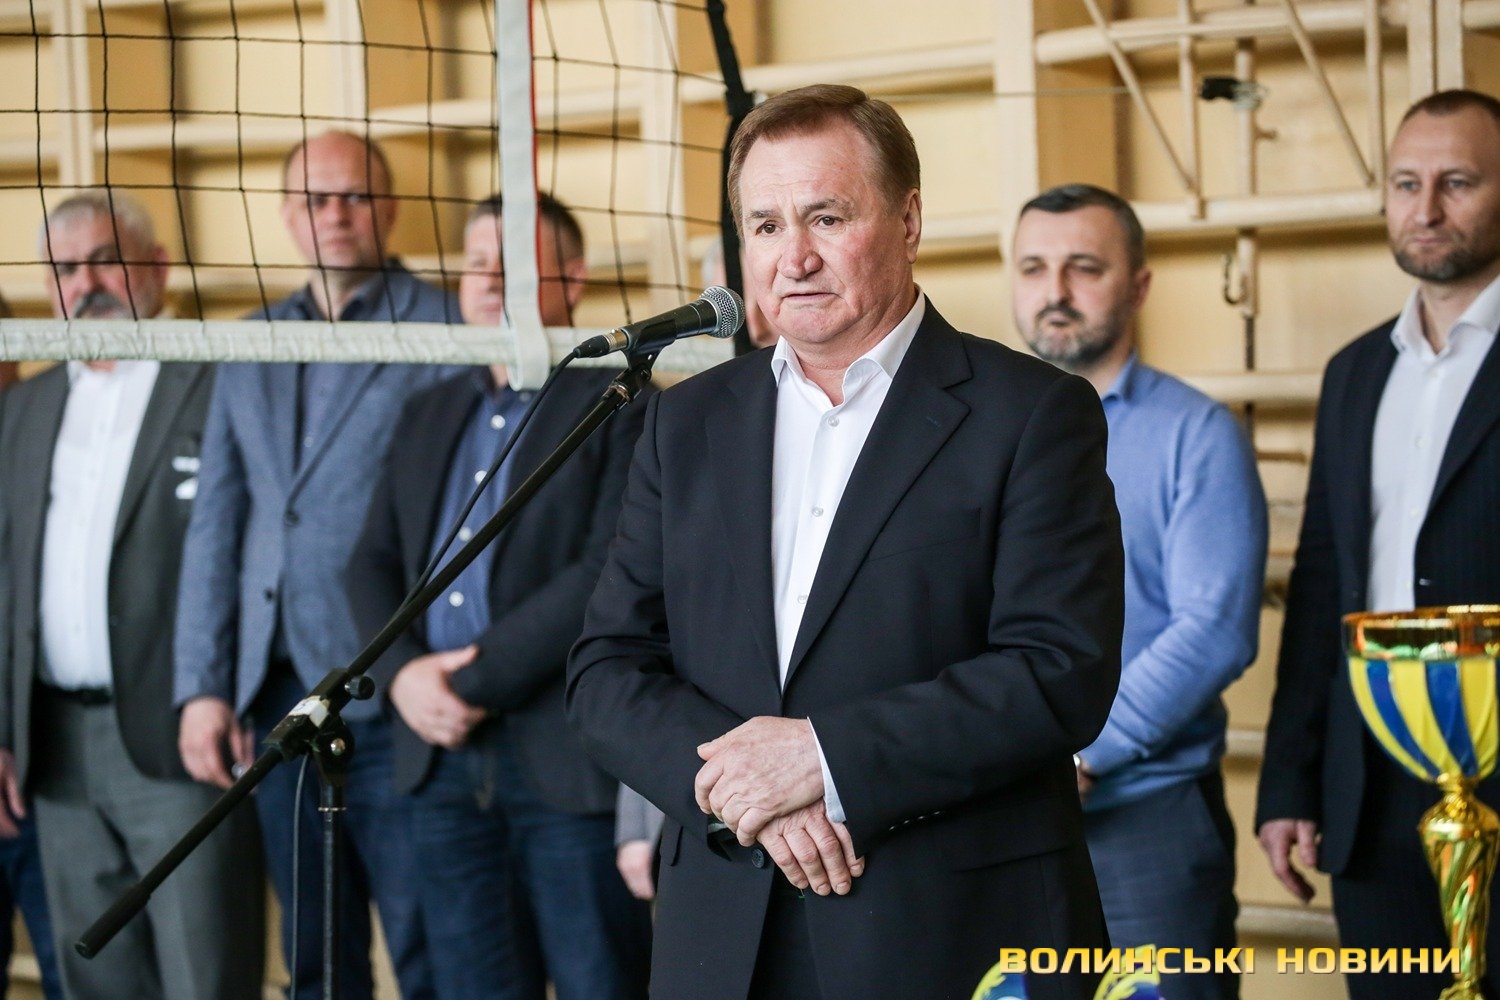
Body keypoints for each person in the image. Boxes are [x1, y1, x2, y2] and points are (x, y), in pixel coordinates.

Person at [567, 83, 1124, 1000]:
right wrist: (748, 794)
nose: (795, 256)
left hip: (945, 928)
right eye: (766, 225)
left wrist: (824, 761)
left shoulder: (1032, 414)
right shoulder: (683, 422)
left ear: (908, 220)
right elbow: (606, 670)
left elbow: (1059, 670)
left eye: (827, 217)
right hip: (724, 927)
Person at [174, 130, 458, 999]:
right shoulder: (249, 340)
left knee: (427, 947)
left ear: (390, 208)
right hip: (275, 699)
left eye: (353, 196)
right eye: (312, 199)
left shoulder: (447, 324)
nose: (333, 214)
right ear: (287, 217)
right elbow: (219, 522)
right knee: (315, 958)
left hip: (393, 687)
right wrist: (202, 686)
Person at [347, 192, 651, 1000]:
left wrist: (466, 682)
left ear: (572, 279)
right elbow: (370, 563)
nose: (488, 280)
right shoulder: (428, 410)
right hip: (437, 760)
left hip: (563, 756)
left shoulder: (622, 401)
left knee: (601, 982)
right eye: (476, 263)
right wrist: (403, 677)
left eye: (512, 263)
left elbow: (605, 573)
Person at [1257, 88, 1500, 1000]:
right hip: (1370, 782)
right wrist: (1289, 782)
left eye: (1457, 182)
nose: (1425, 208)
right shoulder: (1355, 371)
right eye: (1406, 183)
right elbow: (1322, 585)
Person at [0, 191, 262, 999]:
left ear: (156, 267)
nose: (84, 284)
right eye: (63, 270)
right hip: (54, 748)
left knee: (206, 975)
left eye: (103, 260)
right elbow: (8, 577)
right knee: (95, 980)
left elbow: (254, 556)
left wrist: (227, 691)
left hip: (180, 735)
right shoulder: (27, 403)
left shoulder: (218, 380)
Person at [1011, 184, 1267, 1000]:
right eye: (1034, 267)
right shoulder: (981, 432)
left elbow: (1215, 628)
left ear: (1139, 285)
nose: (1056, 291)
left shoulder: (1198, 434)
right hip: (1000, 822)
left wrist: (1082, 750)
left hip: (1146, 825)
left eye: (1084, 267)